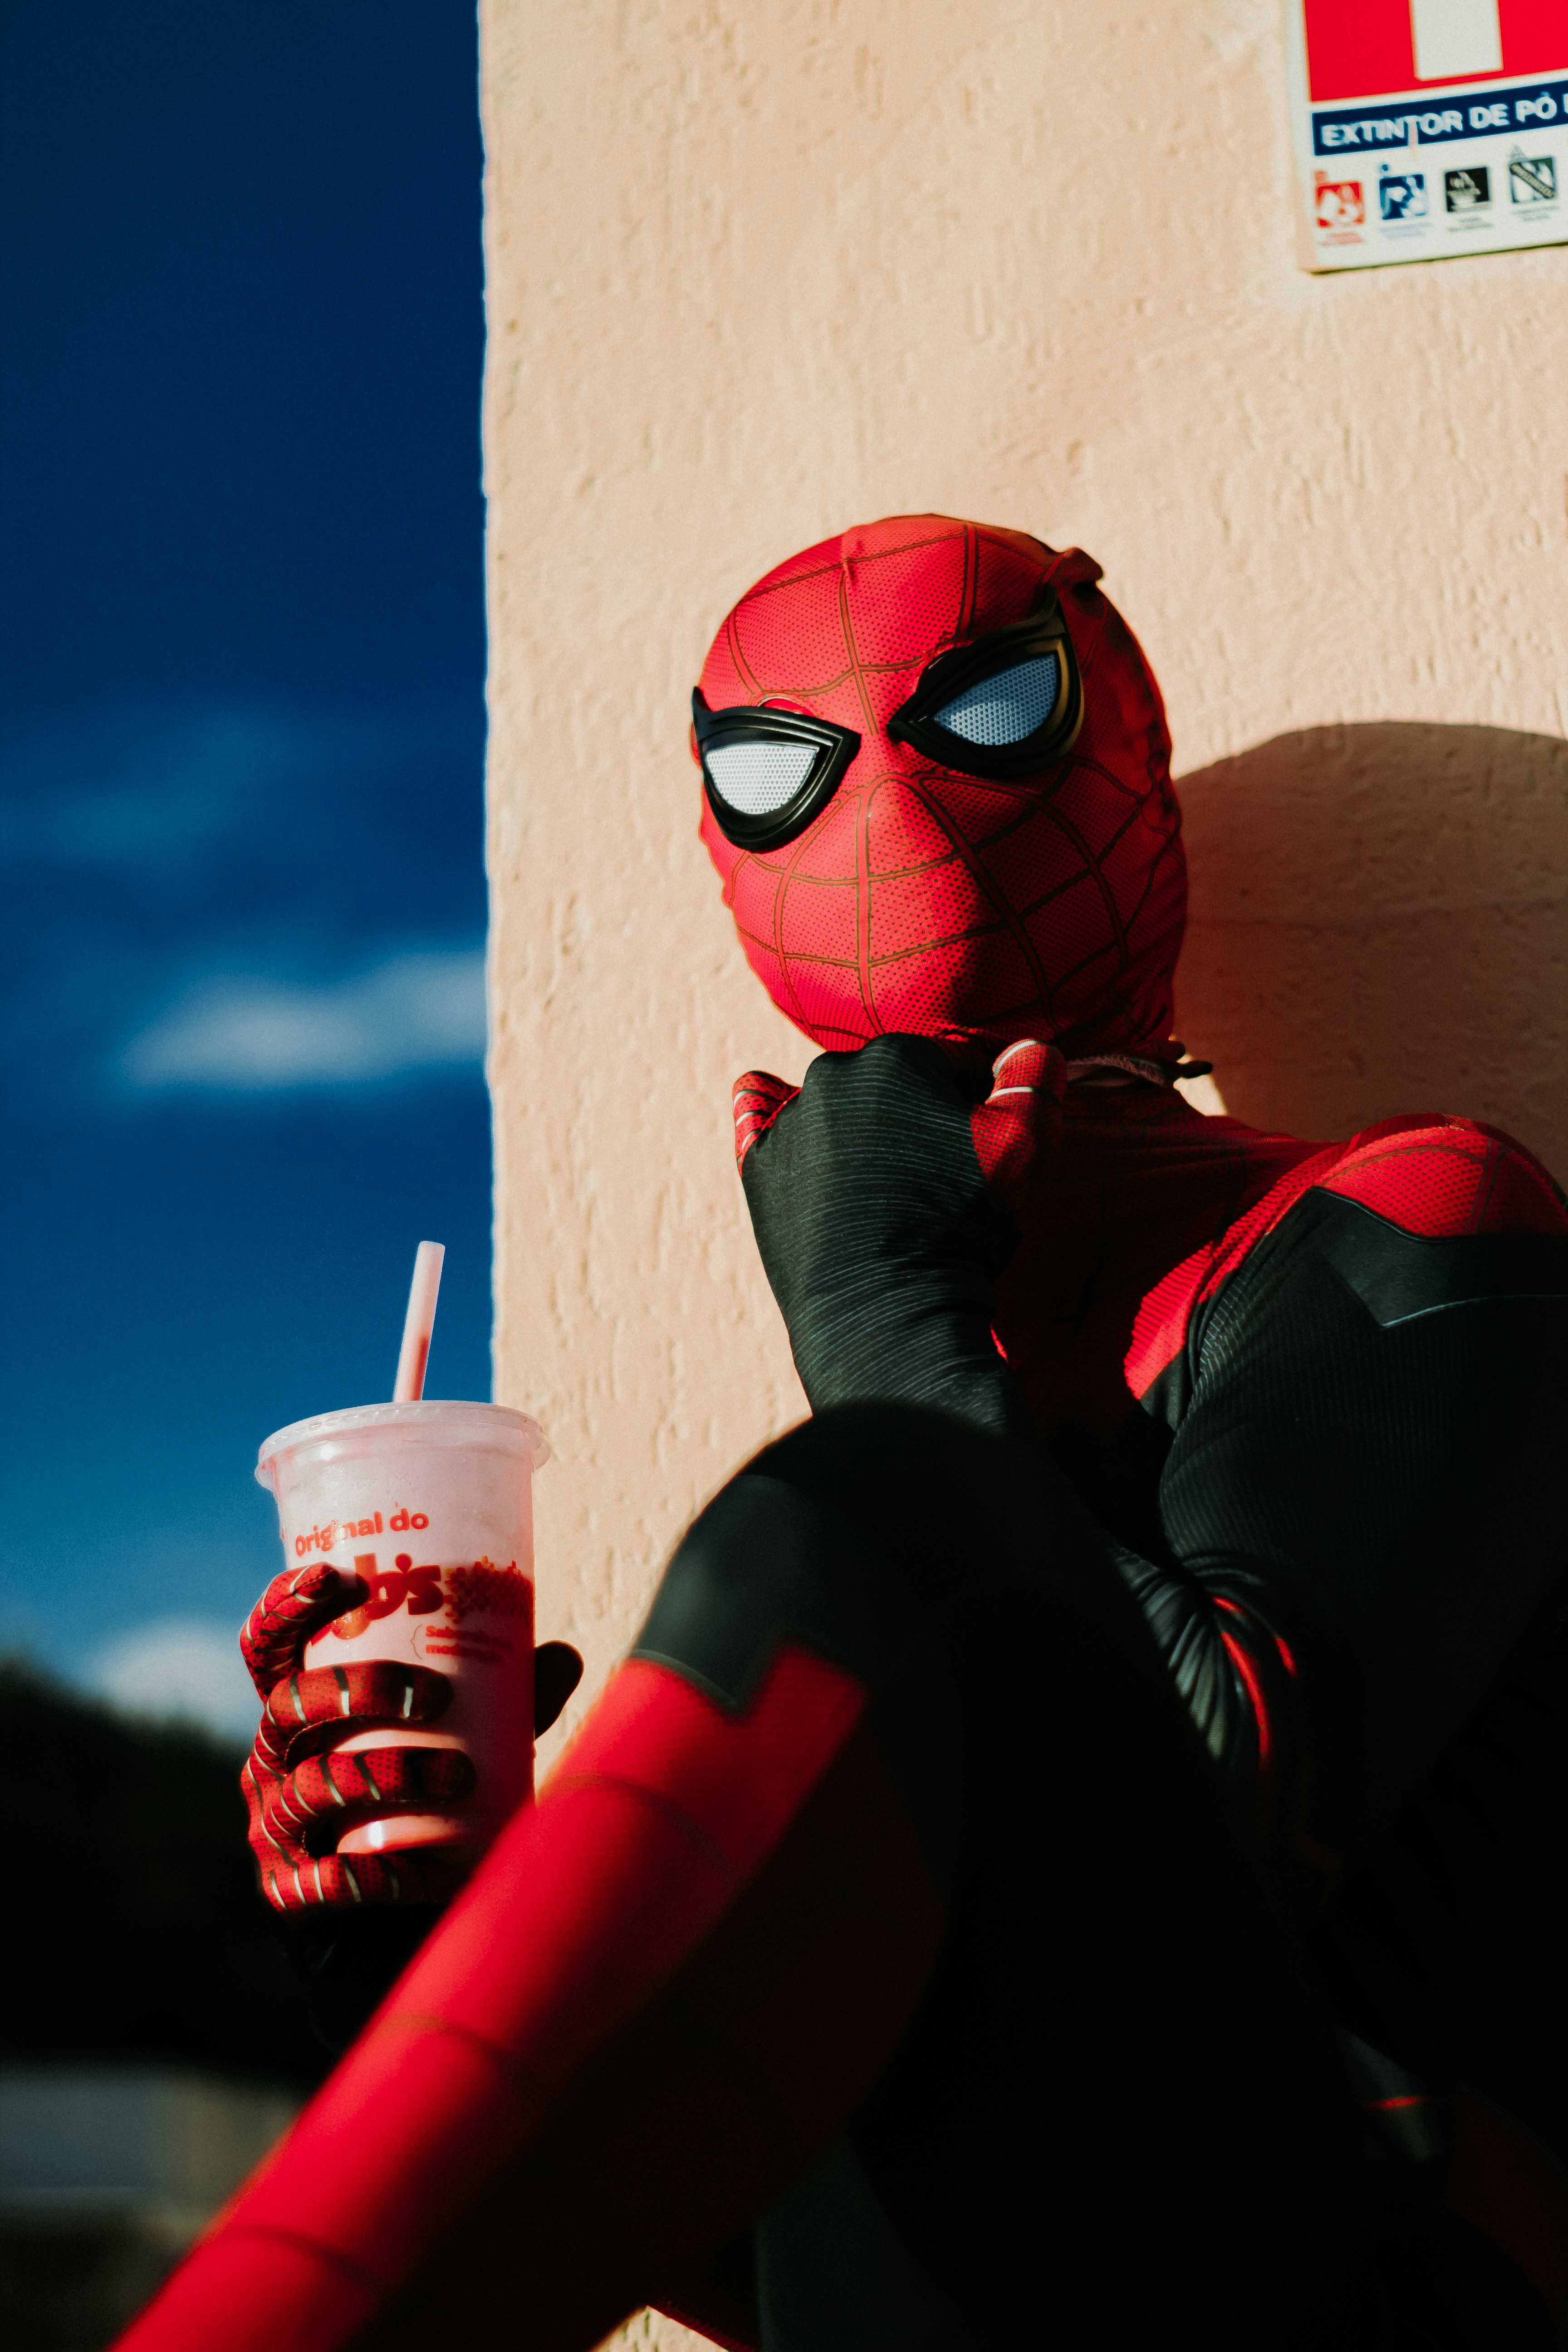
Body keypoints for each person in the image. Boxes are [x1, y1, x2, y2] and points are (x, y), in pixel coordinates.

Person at [124, 517, 1568, 2352]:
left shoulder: (1408, 1226)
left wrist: (883, 1331)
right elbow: (823, 2242)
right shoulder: (947, 1421)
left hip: (1402, 2284)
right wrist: (429, 1933)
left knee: (876, 1512)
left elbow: (1206, 1855)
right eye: (775, 764)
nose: (892, 795)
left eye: (984, 709)